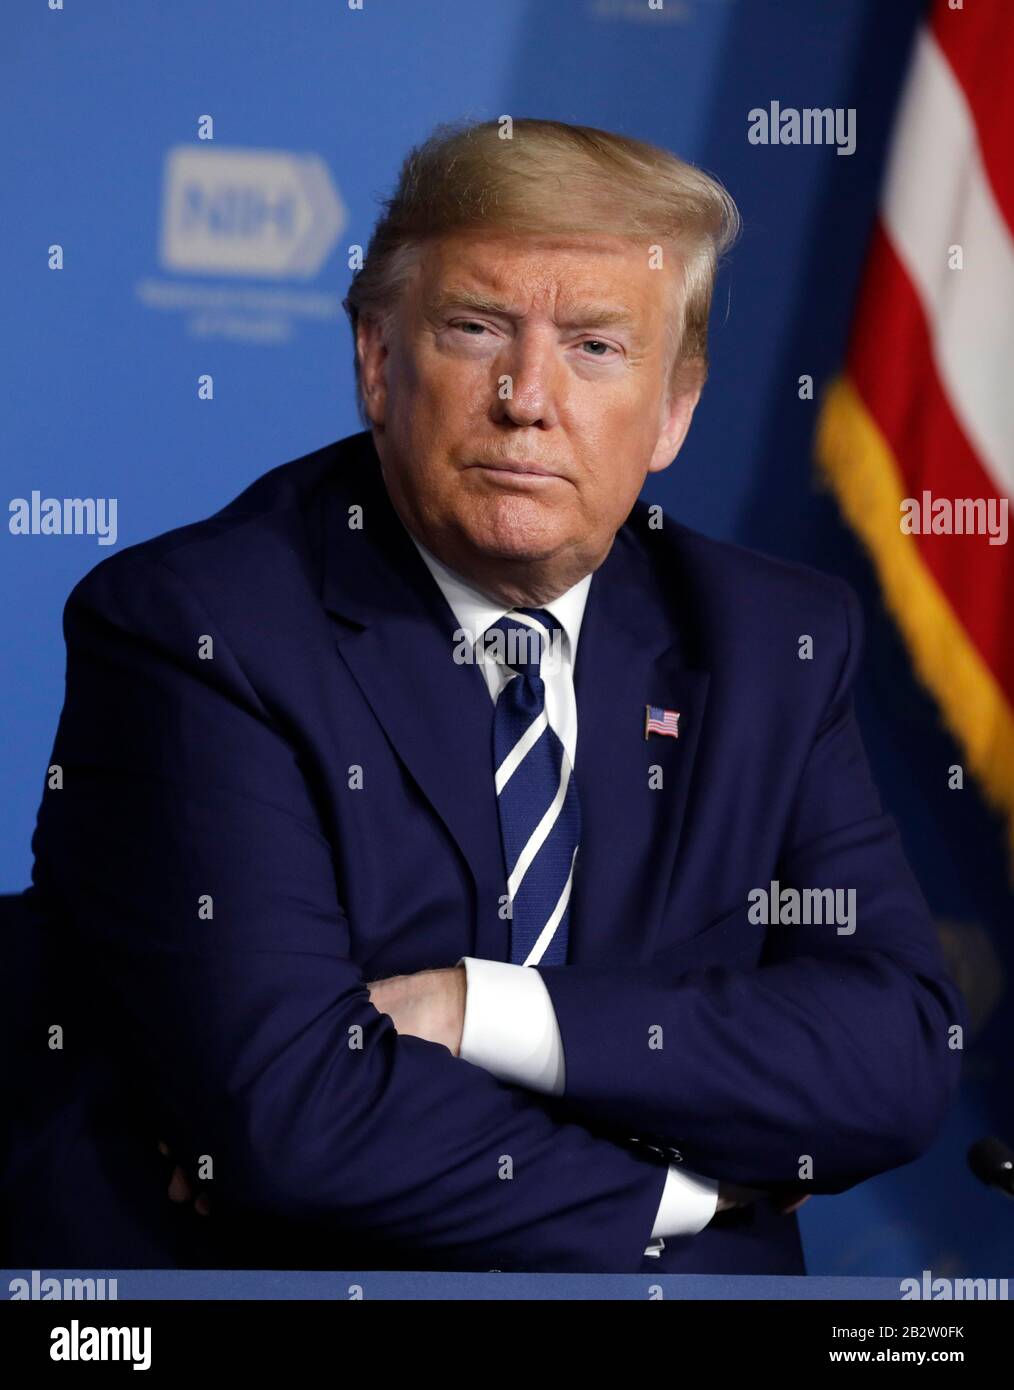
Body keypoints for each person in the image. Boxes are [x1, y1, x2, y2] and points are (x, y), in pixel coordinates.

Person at [14, 118, 965, 1274]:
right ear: (376, 358)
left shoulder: (773, 642)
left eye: (597, 347)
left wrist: (485, 1013)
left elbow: (898, 1052)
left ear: (673, 411)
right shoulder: (198, 628)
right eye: (475, 330)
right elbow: (296, 1121)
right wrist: (705, 1193)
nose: (528, 397)